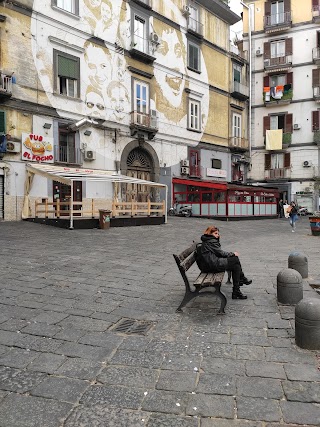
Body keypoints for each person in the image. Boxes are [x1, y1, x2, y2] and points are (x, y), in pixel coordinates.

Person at [196, 225, 252, 300]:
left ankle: (237, 289)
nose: (218, 235)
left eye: (218, 233)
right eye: (215, 233)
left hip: (209, 264)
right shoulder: (211, 241)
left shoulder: (207, 240)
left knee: (236, 266)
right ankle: (240, 283)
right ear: (210, 233)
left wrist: (231, 254)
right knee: (235, 259)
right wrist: (232, 253)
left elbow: (218, 253)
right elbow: (221, 253)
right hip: (212, 265)